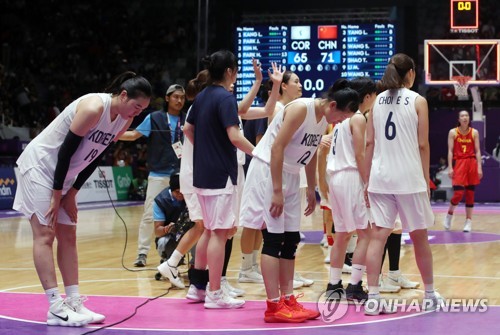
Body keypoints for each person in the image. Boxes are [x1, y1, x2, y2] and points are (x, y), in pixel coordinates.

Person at [13, 72, 152, 327]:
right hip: (42, 167)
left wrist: (73, 194)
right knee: (46, 234)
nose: (137, 114)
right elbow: (65, 152)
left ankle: (74, 301)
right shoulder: (93, 107)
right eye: (136, 106)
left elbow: (95, 156)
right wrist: (57, 196)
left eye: (142, 110)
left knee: (69, 235)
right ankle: (55, 306)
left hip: (64, 175)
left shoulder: (122, 120)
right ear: (123, 95)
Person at [240, 79, 359, 322]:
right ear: (333, 104)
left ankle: (288, 298)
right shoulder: (299, 109)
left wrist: (312, 188)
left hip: (292, 174)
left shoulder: (324, 117)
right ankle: (273, 305)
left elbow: (312, 151)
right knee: (273, 238)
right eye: (342, 117)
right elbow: (276, 148)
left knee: (291, 239)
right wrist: (276, 189)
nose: (341, 122)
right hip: (269, 171)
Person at [364, 53, 442, 315]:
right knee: (419, 237)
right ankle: (429, 294)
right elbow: (422, 145)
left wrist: (366, 180)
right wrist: (426, 180)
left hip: (380, 178)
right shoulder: (418, 101)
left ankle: (373, 298)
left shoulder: (376, 103)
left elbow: (369, 144)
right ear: (410, 73)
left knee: (377, 238)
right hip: (409, 178)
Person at [183, 50, 255, 309]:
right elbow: (235, 137)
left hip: (202, 173)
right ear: (229, 72)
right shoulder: (225, 97)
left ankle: (197, 288)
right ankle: (214, 293)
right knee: (220, 234)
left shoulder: (201, 97)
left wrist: (204, 149)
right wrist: (260, 154)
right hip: (221, 174)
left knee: (210, 230)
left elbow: (187, 129)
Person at [120, 83, 186, 267]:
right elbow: (133, 135)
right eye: (175, 96)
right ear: (167, 98)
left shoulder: (187, 119)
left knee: (181, 217)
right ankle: (142, 253)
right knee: (150, 215)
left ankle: (173, 254)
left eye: (182, 97)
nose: (179, 100)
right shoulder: (154, 118)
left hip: (180, 176)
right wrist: (110, 135)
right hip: (158, 174)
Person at [324, 77, 377, 302]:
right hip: (350, 177)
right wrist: (367, 184)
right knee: (366, 233)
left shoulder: (340, 120)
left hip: (335, 178)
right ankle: (354, 285)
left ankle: (333, 285)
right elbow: (360, 154)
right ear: (367, 96)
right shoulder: (357, 118)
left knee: (343, 235)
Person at [443, 110, 483, 232]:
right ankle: (449, 215)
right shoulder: (453, 132)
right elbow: (450, 151)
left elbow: (477, 151)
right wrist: (450, 167)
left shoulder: (474, 132)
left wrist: (479, 167)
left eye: (466, 115)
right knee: (458, 194)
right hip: (459, 163)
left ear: (469, 118)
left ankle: (468, 221)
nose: (464, 117)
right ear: (459, 119)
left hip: (471, 163)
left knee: (470, 195)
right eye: (462, 116)